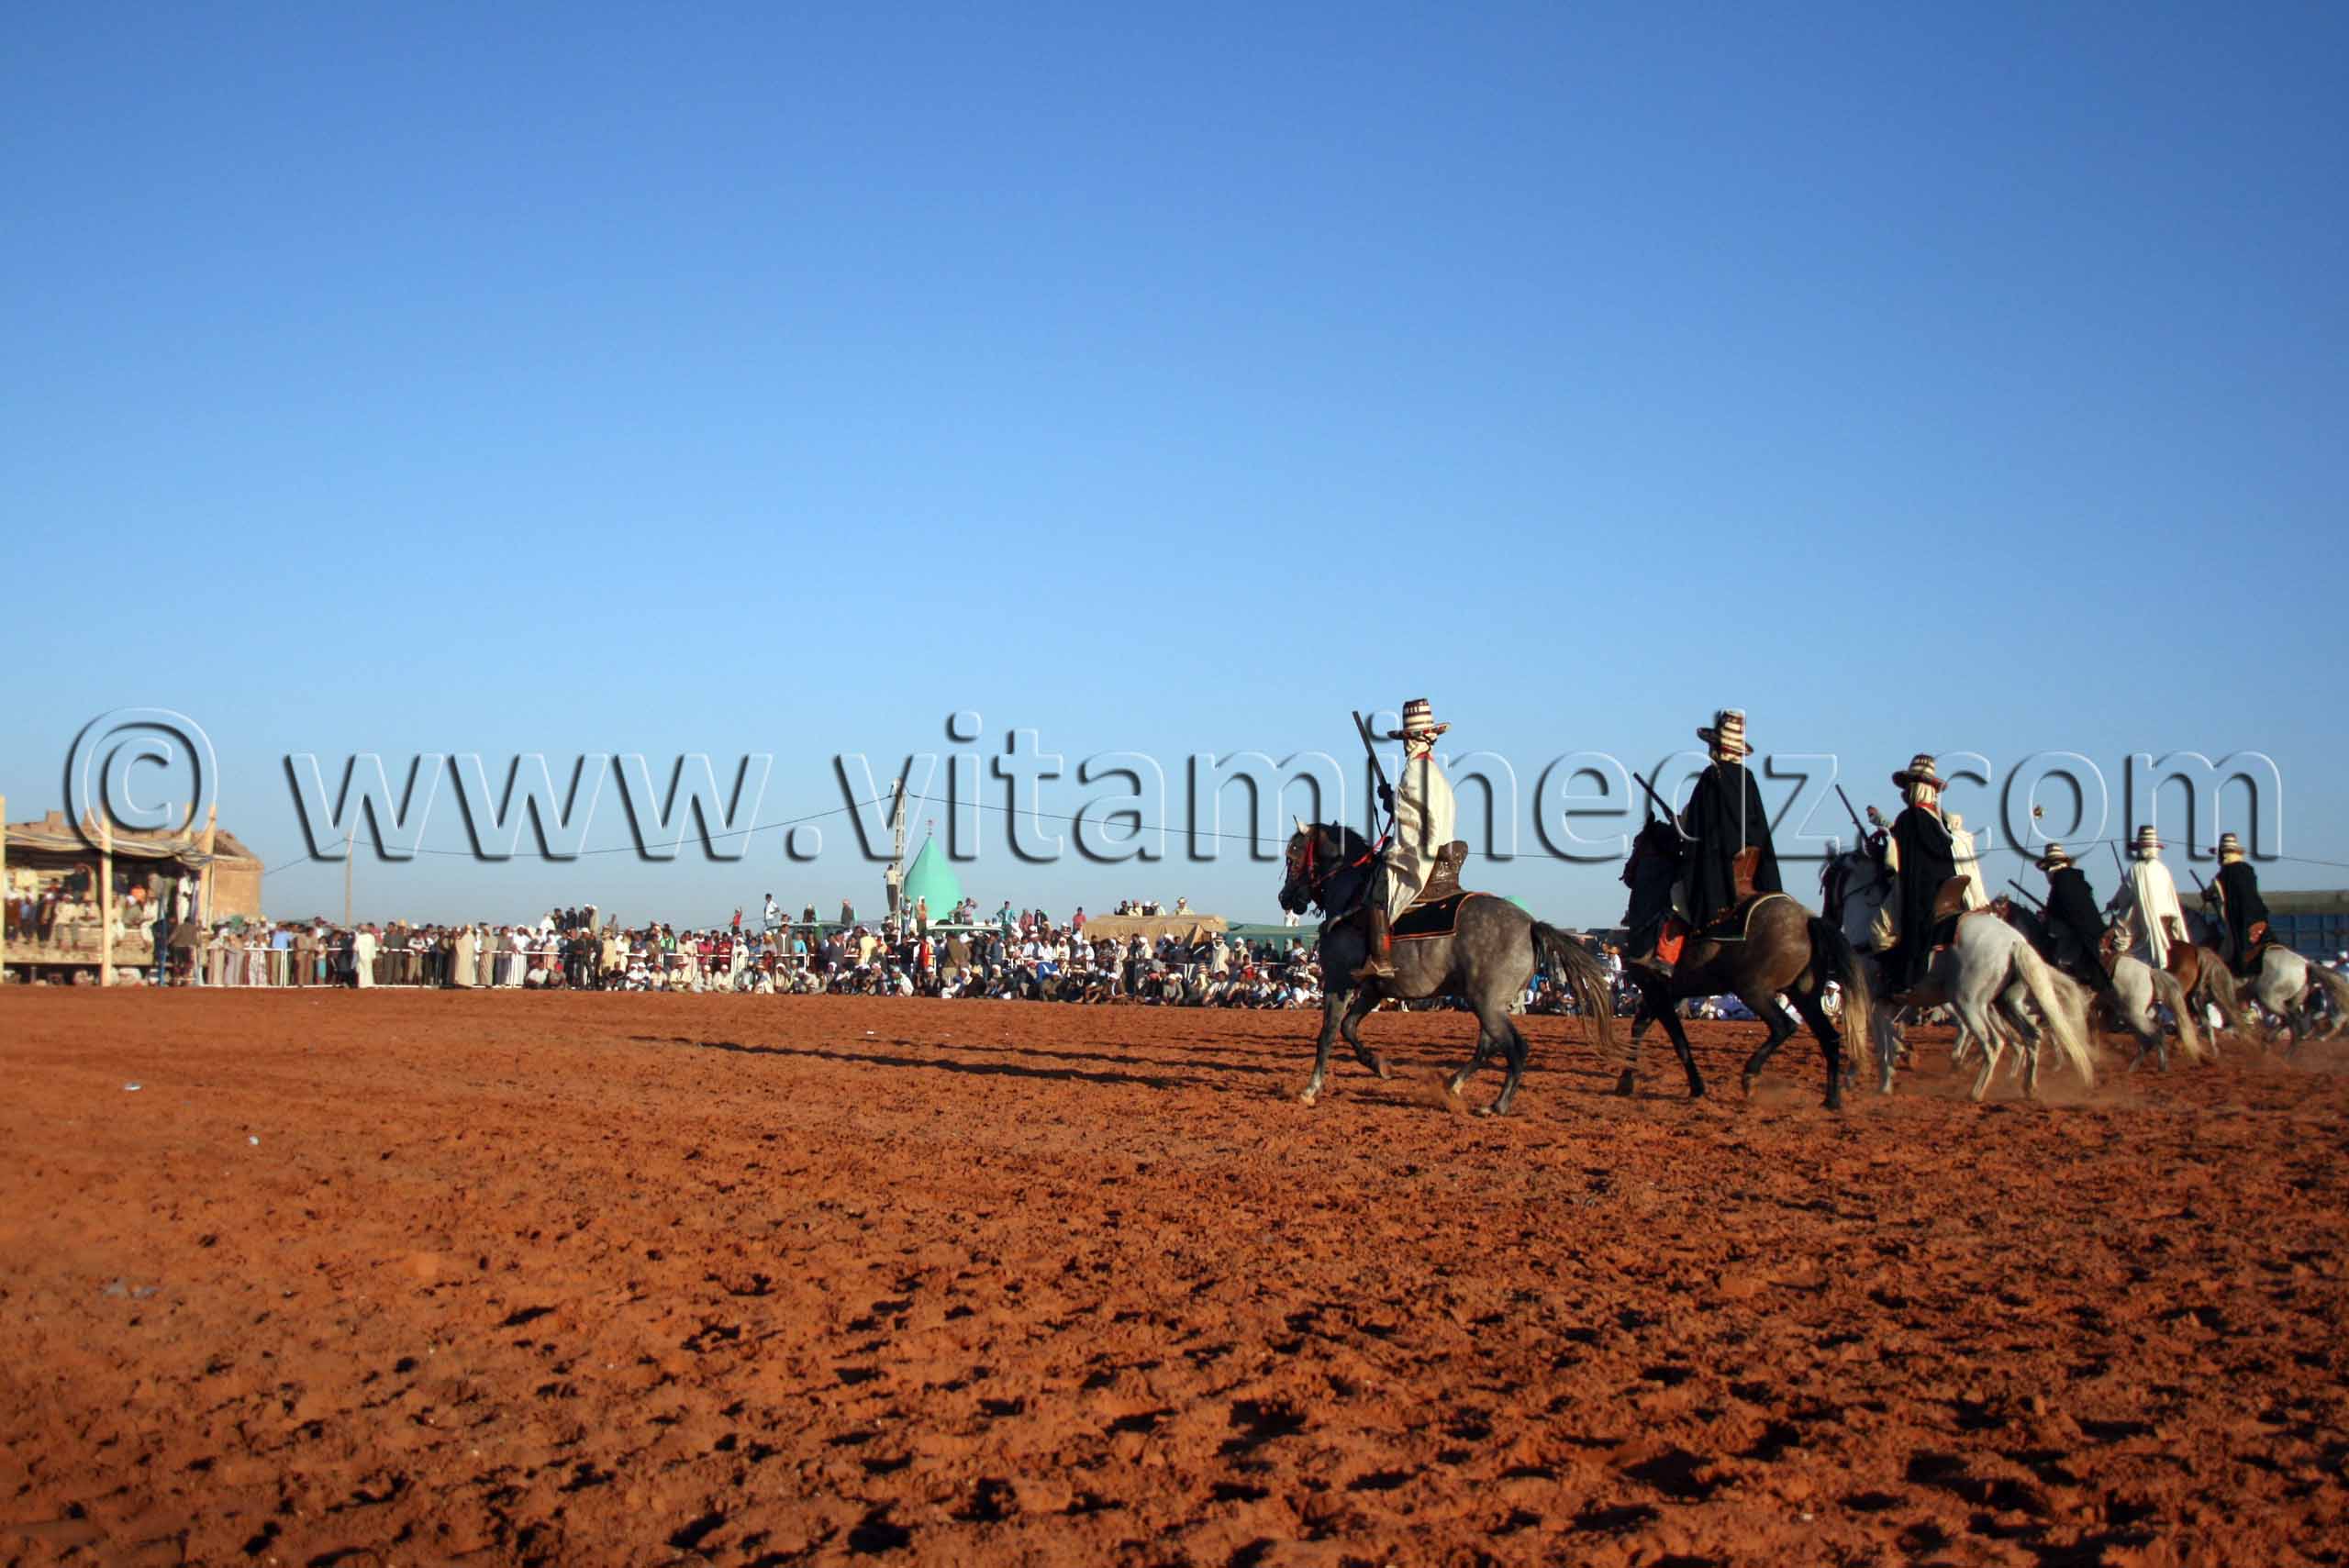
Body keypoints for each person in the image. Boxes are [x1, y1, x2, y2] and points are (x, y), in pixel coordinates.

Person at [1355, 698, 1457, 981]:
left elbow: (1408, 816)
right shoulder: (1434, 772)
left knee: (1377, 892)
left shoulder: (1415, 770)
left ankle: (1380, 959)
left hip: (1417, 850)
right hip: (1435, 845)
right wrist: (1395, 799)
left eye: (1407, 740)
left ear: (1415, 739)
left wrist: (1391, 801)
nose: (1405, 745)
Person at [1883, 753, 1959, 995]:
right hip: (1947, 886)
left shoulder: (1908, 818)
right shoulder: (1939, 822)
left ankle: (1903, 978)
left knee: (1883, 926)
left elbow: (1892, 860)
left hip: (1922, 888)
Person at [2035, 843, 2110, 993]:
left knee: (2059, 960)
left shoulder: (2063, 881)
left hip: (2075, 936)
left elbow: (2068, 916)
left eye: (2047, 868)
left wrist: (2047, 920)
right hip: (2090, 930)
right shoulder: (2074, 880)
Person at [2111, 825, 2187, 969]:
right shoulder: (2163, 869)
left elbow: (2124, 898)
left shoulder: (2136, 869)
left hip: (2145, 922)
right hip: (2168, 920)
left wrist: (2113, 902)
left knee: (2117, 938)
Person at [2202, 831, 2268, 976]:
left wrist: (2206, 895)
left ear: (2223, 854)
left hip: (2241, 920)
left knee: (2227, 952)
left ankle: (2236, 973)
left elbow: (2211, 891)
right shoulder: (2248, 869)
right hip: (2259, 917)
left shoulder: (2224, 873)